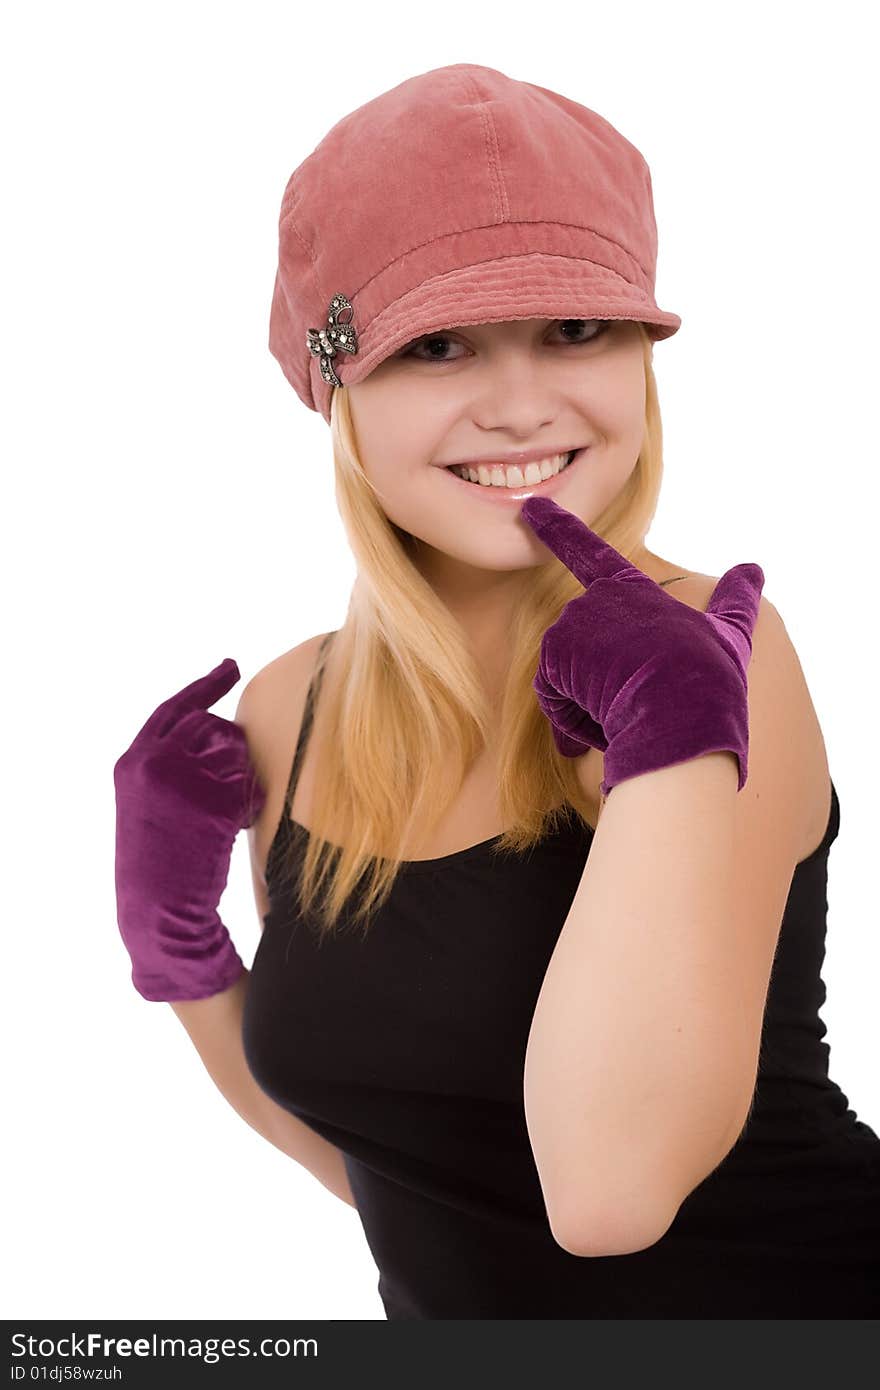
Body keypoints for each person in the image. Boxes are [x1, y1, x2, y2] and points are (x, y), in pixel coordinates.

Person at [114, 63, 880, 1317]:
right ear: (333, 386)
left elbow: (608, 1198)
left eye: (576, 328)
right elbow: (402, 1174)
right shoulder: (290, 709)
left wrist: (676, 744)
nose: (522, 401)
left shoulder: (715, 653)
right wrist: (182, 955)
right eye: (440, 344)